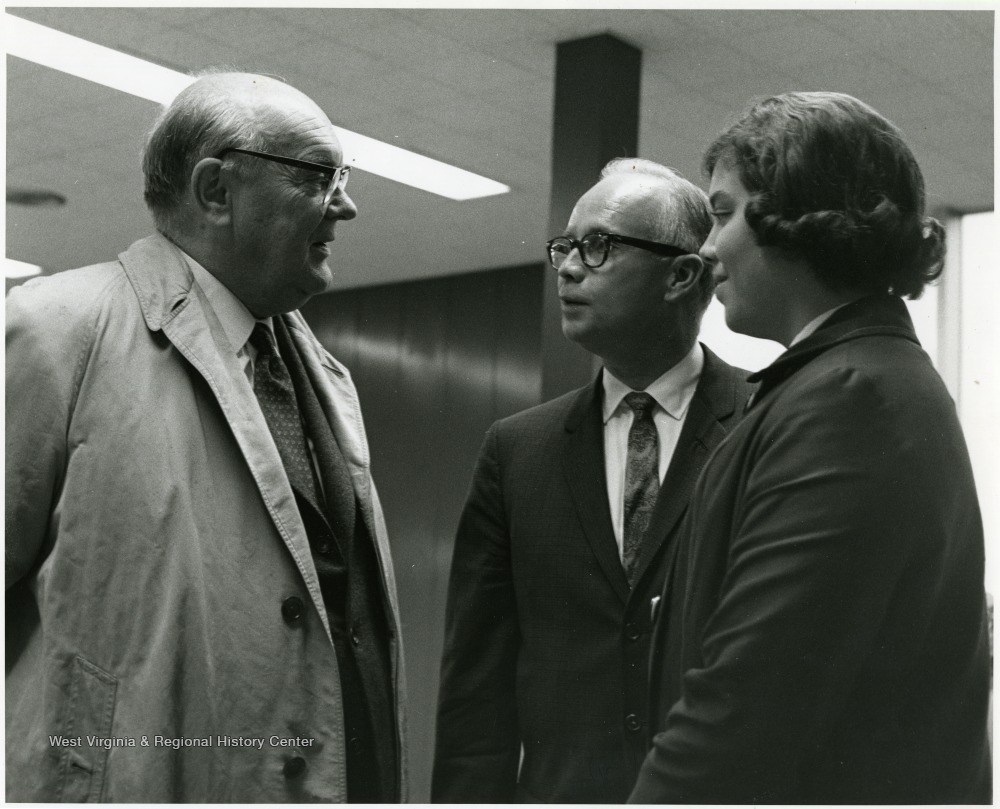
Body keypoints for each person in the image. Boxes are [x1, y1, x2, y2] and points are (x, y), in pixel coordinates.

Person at [6, 72, 407, 803]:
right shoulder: (56, 331)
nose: (345, 204)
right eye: (319, 177)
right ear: (216, 189)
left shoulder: (322, 374)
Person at [630, 92, 992, 804]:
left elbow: (745, 711)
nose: (707, 247)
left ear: (799, 215)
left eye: (724, 213)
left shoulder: (847, 399)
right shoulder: (858, 380)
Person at [431, 158, 752, 803]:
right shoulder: (516, 450)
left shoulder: (763, 423)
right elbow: (477, 690)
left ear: (682, 275)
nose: (569, 268)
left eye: (598, 246)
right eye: (565, 247)